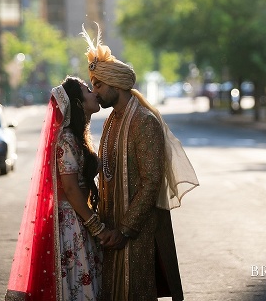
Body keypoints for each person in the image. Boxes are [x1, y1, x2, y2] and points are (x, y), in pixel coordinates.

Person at [80, 24, 199, 301]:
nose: (95, 91)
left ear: (117, 85)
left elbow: (151, 182)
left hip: (138, 232)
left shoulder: (143, 121)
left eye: (99, 84)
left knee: (136, 292)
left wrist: (125, 229)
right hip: (112, 230)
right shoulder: (113, 119)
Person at [5, 76, 104, 301]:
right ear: (78, 103)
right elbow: (70, 189)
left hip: (78, 220)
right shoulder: (67, 139)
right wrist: (97, 228)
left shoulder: (78, 138)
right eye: (88, 90)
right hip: (70, 225)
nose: (94, 93)